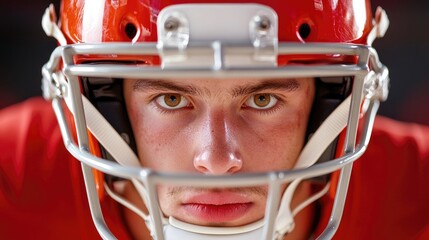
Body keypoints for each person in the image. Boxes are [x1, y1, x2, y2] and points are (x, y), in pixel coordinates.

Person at [1, 0, 428, 239]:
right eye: (171, 98)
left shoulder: (416, 188)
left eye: (262, 99)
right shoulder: (14, 175)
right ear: (107, 106)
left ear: (330, 105)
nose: (217, 159)